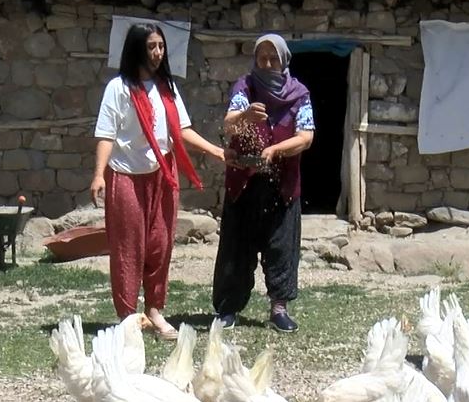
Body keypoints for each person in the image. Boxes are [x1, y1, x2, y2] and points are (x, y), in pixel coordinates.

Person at [90, 23, 227, 338]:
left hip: (162, 176)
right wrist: (99, 173)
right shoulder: (119, 88)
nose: (157, 53)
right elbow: (106, 134)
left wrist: (214, 150)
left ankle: (154, 312)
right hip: (125, 176)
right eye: (151, 46)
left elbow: (181, 130)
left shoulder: (168, 88)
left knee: (160, 245)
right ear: (137, 49)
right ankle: (128, 320)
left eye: (161, 47)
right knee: (128, 249)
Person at [212, 33, 315, 333]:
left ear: (283, 60)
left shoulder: (299, 95)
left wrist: (275, 150)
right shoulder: (245, 87)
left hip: (282, 185)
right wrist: (245, 115)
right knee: (236, 247)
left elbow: (306, 137)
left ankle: (279, 309)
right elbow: (229, 124)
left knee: (281, 246)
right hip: (244, 182)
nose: (267, 63)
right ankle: (228, 308)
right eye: (262, 57)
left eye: (273, 58)